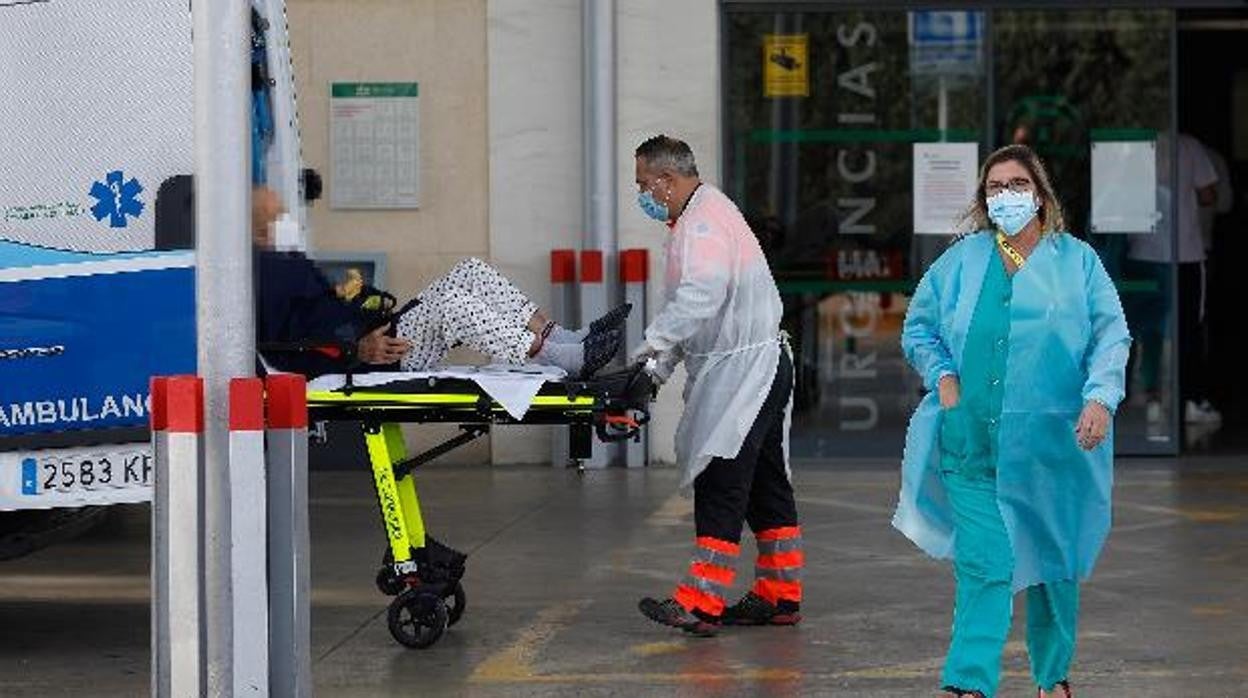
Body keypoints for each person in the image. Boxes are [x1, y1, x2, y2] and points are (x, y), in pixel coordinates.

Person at [895, 144, 1131, 698]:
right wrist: (946, 382)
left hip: (1053, 448)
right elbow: (918, 329)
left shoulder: (1077, 263)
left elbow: (1110, 336)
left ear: (1041, 194)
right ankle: (968, 683)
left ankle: (1054, 678)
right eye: (995, 187)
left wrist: (1100, 398)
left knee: (1054, 569)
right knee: (987, 561)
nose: (1005, 196)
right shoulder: (960, 262)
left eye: (1017, 184)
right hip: (971, 441)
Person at [628, 135, 803, 637]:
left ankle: (701, 602)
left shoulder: (702, 223)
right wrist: (656, 370)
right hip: (760, 366)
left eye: (643, 183)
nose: (641, 193)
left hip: (744, 374)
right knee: (767, 484)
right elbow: (700, 317)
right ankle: (780, 592)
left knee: (721, 481)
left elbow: (700, 298)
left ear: (666, 179)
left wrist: (648, 350)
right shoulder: (702, 214)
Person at [251, 187, 626, 378]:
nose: (286, 221)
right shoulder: (262, 277)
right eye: (275, 216)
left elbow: (331, 297)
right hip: (375, 356)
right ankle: (556, 358)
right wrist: (356, 345)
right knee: (451, 307)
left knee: (470, 271)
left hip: (381, 332)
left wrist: (367, 297)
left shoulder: (287, 263)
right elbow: (289, 340)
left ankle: (560, 336)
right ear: (257, 228)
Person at [1125, 133, 1221, 426]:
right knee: (1188, 330)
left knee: (1139, 328)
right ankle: (1189, 398)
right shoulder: (1189, 145)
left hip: (1142, 251)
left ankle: (1136, 393)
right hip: (1185, 254)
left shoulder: (1132, 145)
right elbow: (1208, 194)